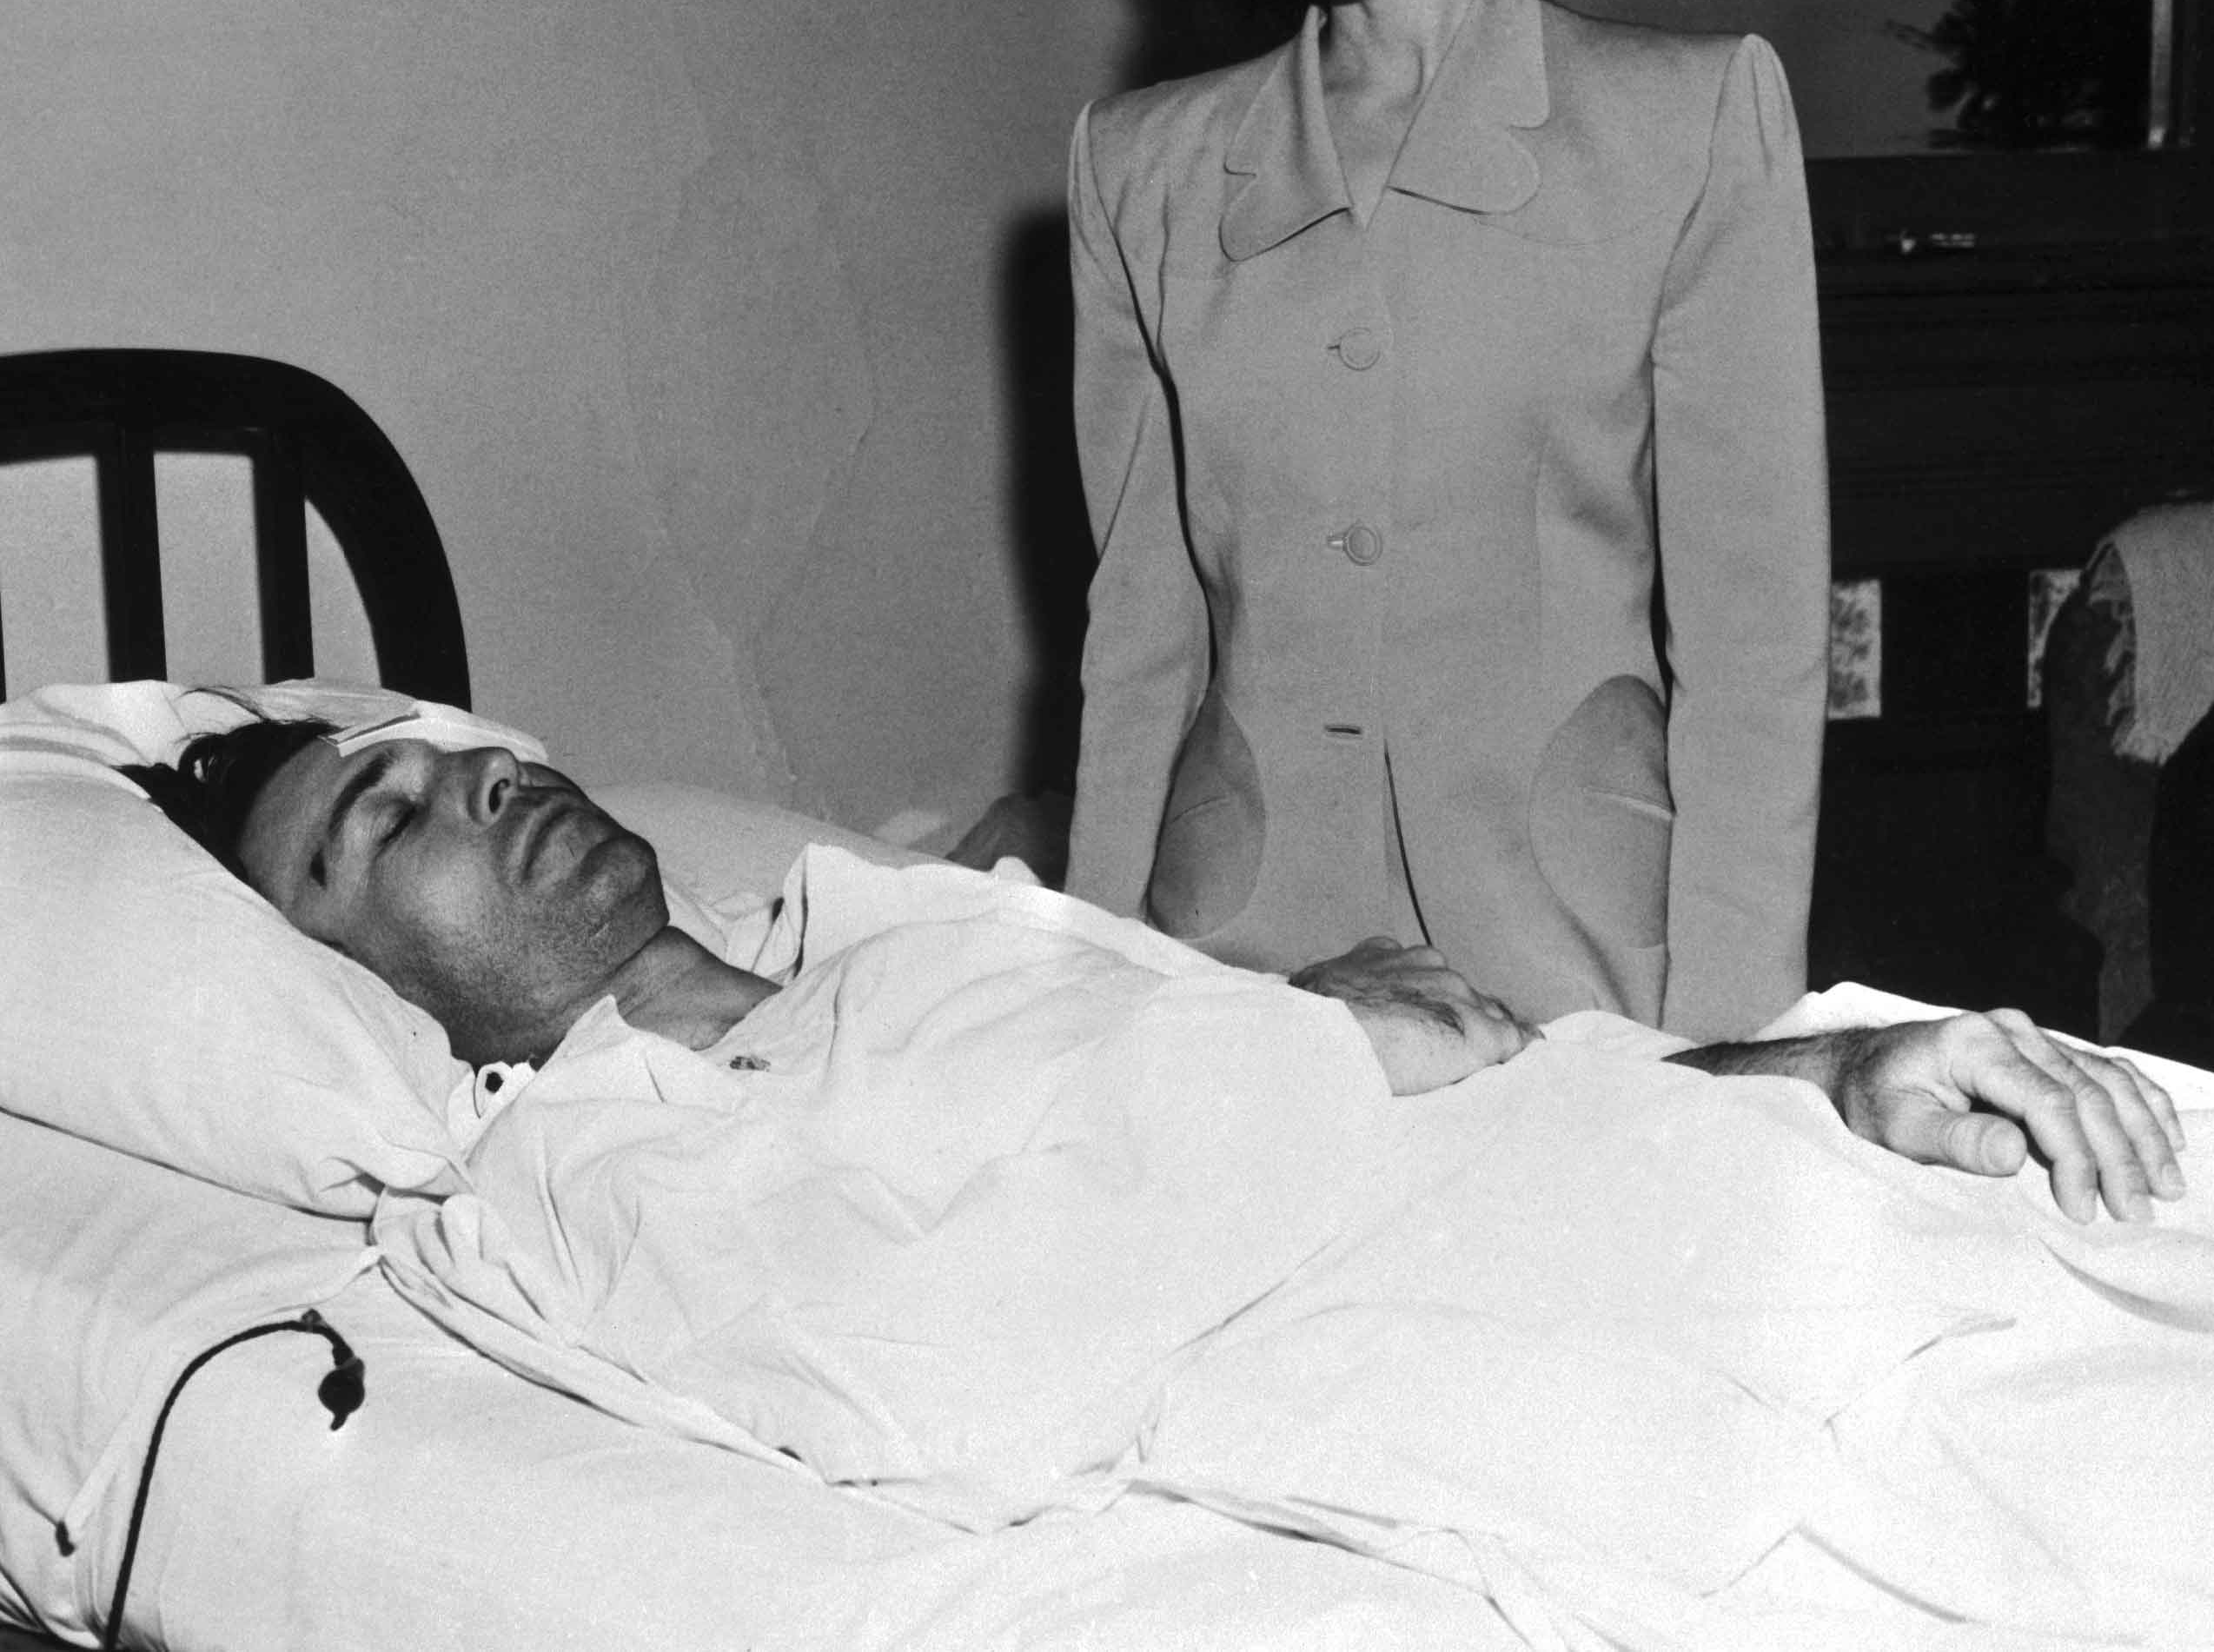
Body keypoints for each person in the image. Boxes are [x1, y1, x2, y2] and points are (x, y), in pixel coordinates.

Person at [1064, 0, 1828, 1040]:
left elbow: (1754, 646)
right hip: (1245, 963)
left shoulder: (1690, 120)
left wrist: (1737, 1047)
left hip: (1586, 960)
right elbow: (1138, 638)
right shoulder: (1138, 170)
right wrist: (1099, 1001)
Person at [127, 718, 2187, 1226]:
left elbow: (1431, 1094)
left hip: (1606, 1185)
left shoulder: (904, 920)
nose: (483, 788)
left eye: (469, 759)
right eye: (383, 825)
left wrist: (1820, 1078)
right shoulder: (591, 1199)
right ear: (342, 985)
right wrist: (1320, 1055)